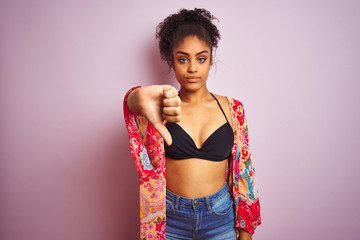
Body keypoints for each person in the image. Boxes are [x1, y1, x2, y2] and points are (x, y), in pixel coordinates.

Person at [123, 8, 261, 240]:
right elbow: (132, 105)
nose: (193, 68)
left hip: (220, 218)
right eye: (183, 59)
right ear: (172, 61)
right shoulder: (158, 108)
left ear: (211, 60)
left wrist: (246, 232)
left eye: (201, 58)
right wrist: (137, 95)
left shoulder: (233, 109)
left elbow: (244, 172)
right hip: (170, 220)